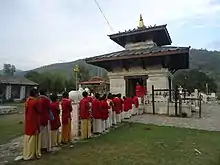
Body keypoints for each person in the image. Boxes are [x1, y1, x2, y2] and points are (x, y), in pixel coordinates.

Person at [23, 88, 41, 160]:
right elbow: (39, 110)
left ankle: (27, 152)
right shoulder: (35, 102)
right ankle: (32, 153)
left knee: (28, 137)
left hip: (28, 120)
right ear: (36, 94)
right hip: (34, 120)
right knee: (33, 137)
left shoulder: (27, 101)